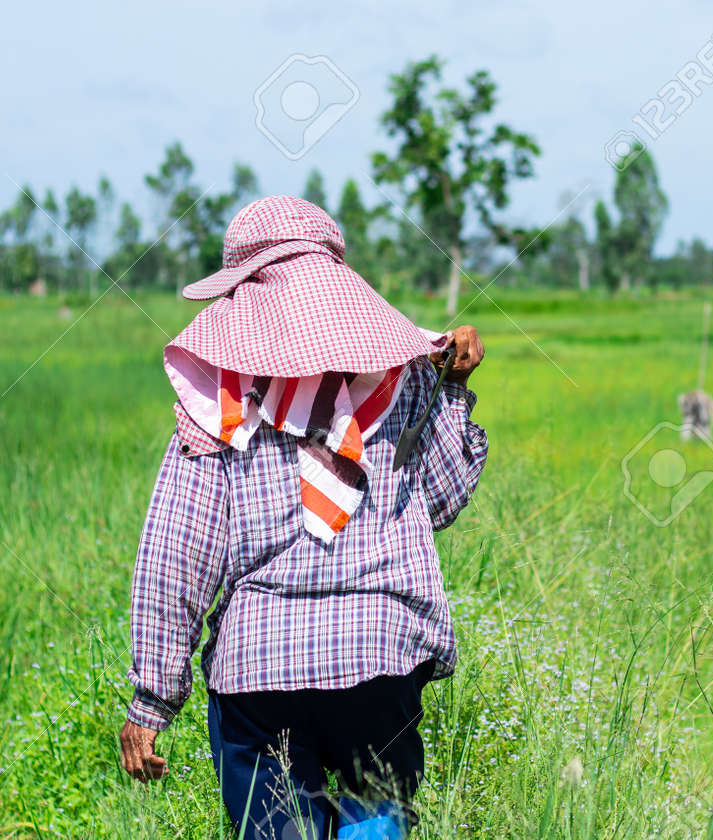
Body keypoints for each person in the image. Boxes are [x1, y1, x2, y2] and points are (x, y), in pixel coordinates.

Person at [118, 196, 488, 839]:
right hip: (382, 660)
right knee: (375, 828)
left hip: (260, 673)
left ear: (243, 295)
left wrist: (153, 700)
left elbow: (177, 554)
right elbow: (440, 500)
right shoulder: (399, 380)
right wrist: (451, 391)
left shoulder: (218, 407)